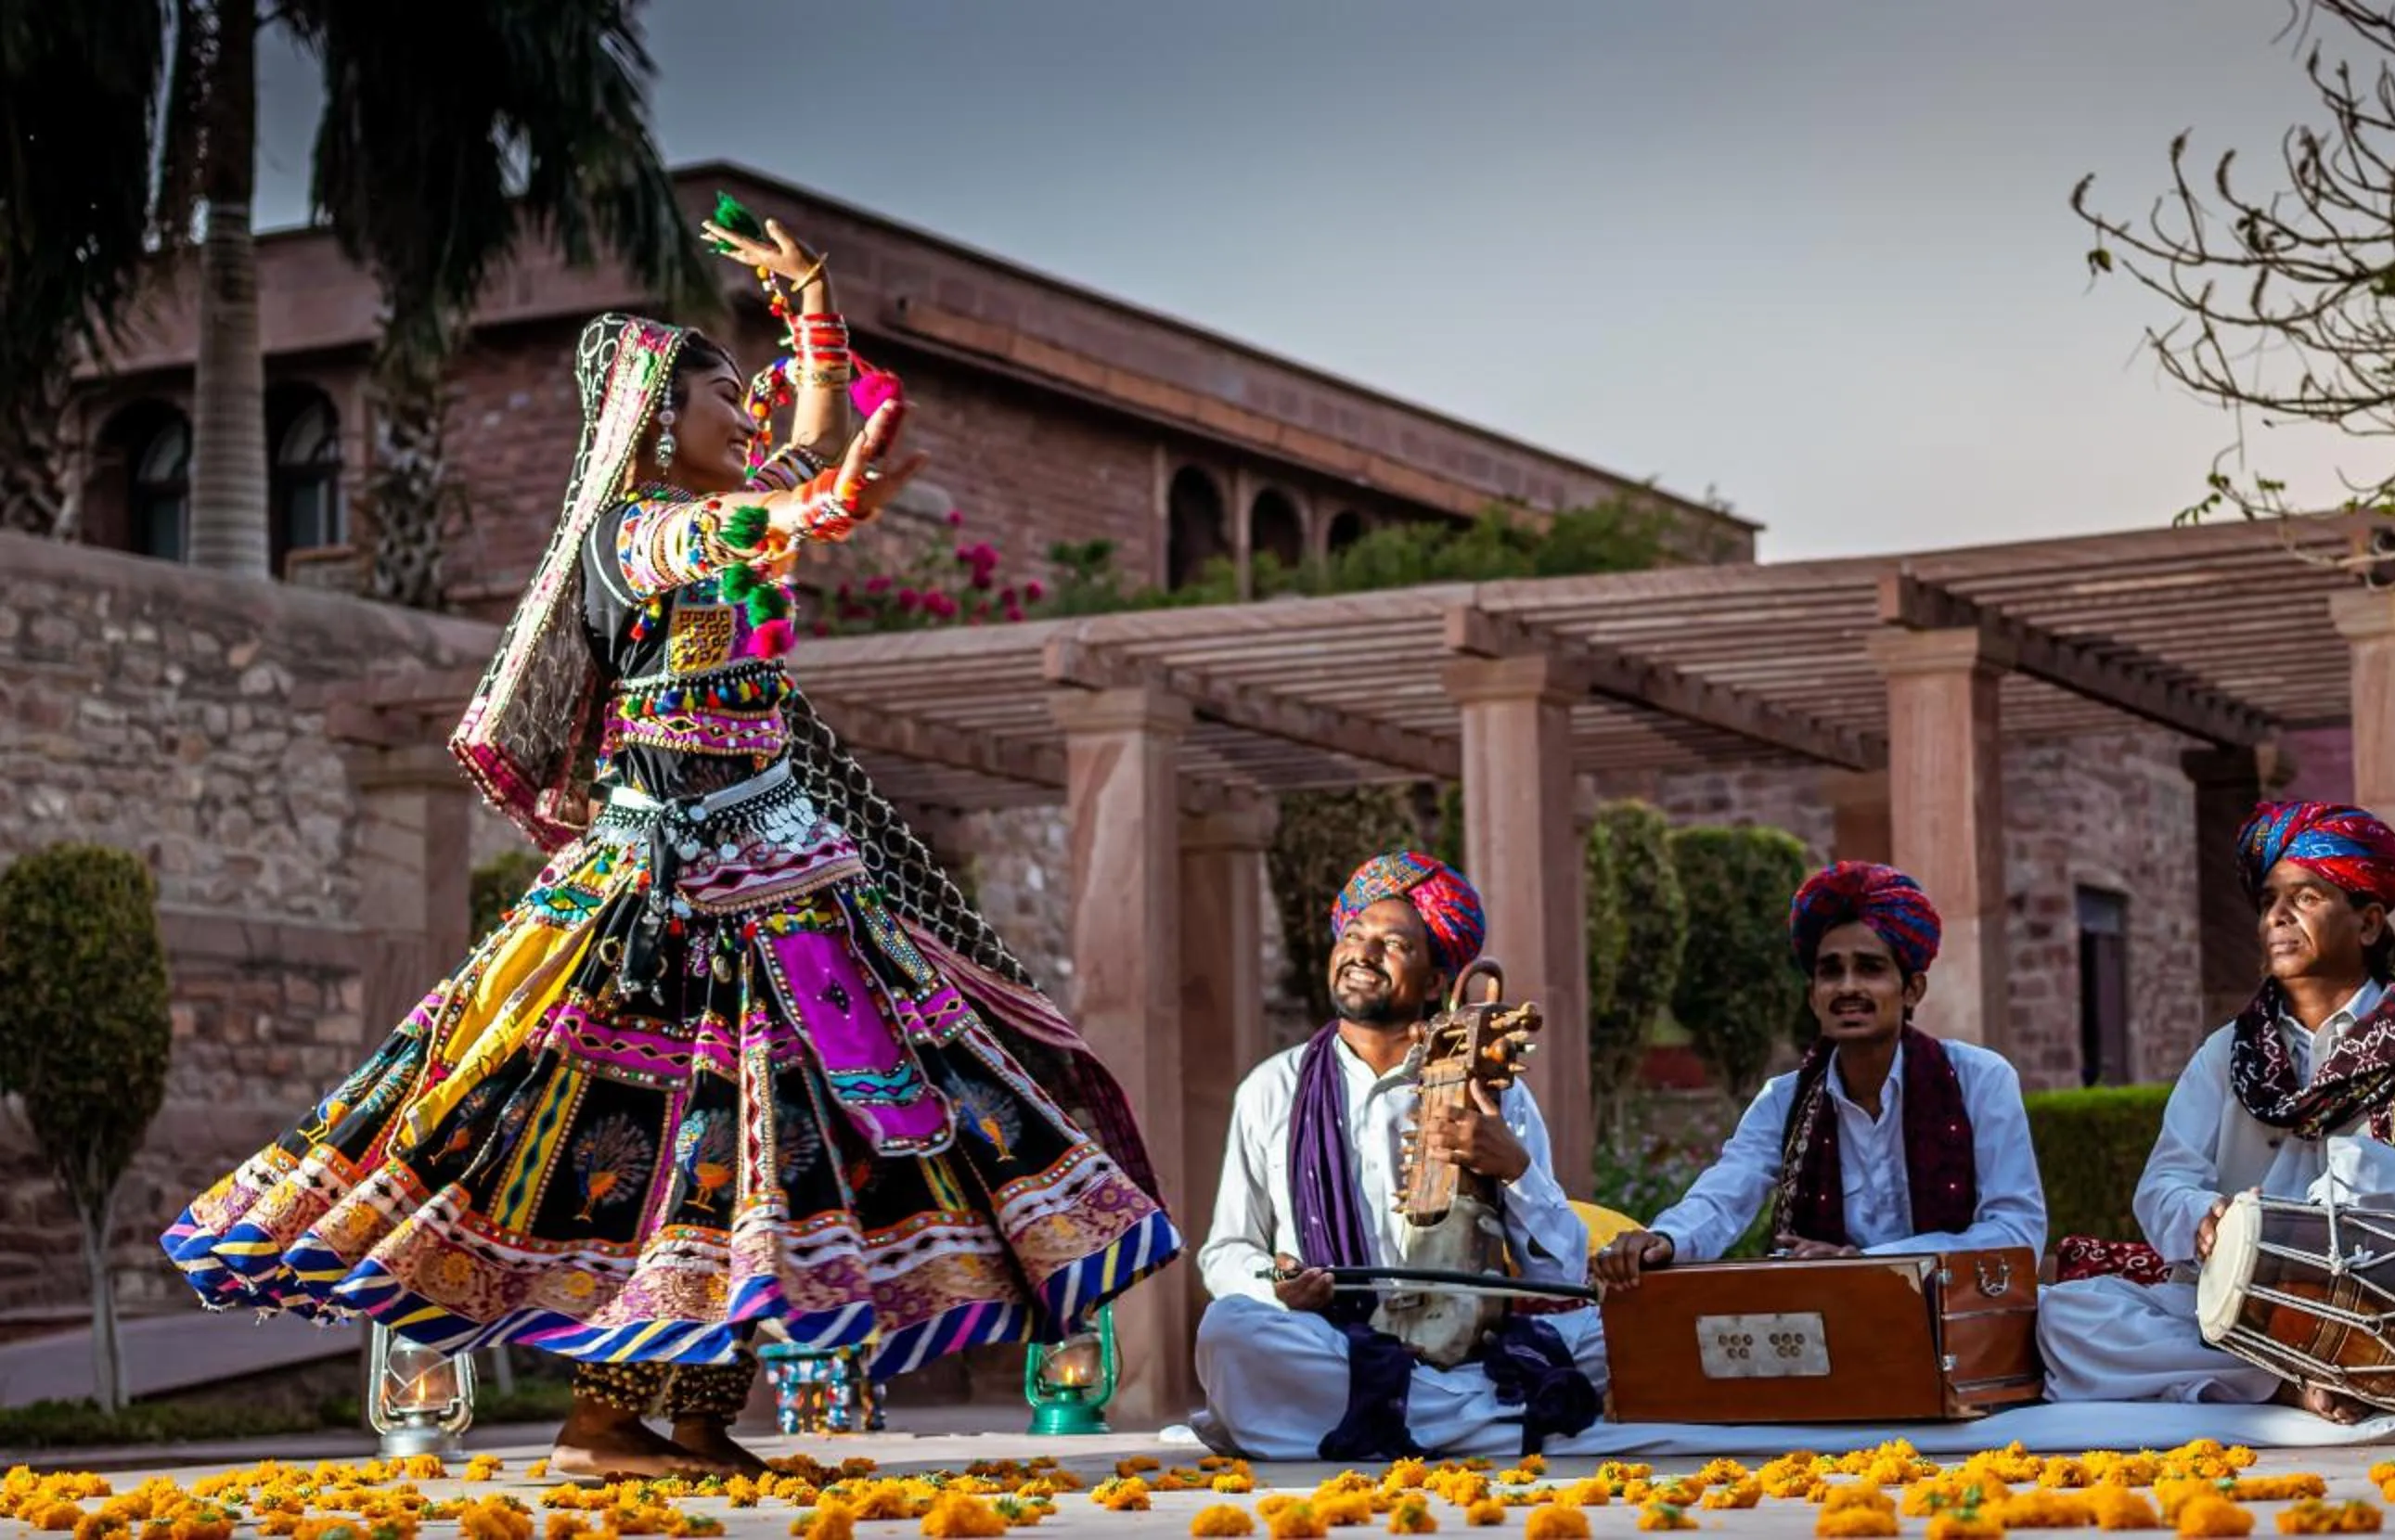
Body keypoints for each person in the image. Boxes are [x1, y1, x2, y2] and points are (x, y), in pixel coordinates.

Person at [162, 212, 1179, 1479]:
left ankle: (699, 1418)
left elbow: (798, 459)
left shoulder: (720, 501)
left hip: (786, 879)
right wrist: (820, 502)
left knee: (783, 1151)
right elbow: (752, 520)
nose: (744, 419)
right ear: (655, 421)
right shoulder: (639, 533)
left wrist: (813, 311)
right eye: (718, 396)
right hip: (672, 897)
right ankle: (604, 1423)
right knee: (666, 1146)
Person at [2034, 801, 2395, 1418]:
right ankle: (2290, 1390)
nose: (2278, 916)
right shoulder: (2228, 1054)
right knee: (2066, 1318)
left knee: (2364, 1171)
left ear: (2369, 924)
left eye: (2306, 897)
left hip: (2392, 1327)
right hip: (2250, 1325)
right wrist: (2201, 1216)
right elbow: (2162, 1185)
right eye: (2270, 899)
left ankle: (2361, 1378)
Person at [1191, 852, 1603, 1460]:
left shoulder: (1493, 1091)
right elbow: (1225, 1250)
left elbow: (1559, 1275)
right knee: (1230, 1331)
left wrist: (1516, 1170)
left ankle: (1385, 1415)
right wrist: (1276, 1284)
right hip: (1331, 1340)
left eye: (1394, 944)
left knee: (1608, 1336)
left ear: (1437, 981)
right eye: (1354, 935)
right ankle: (1470, 1420)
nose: (1362, 952)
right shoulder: (1270, 1089)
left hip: (1471, 1351)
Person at [1591, 861, 2046, 1289]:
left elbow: (2016, 1231)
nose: (1848, 987)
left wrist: (1873, 1266)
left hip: (1958, 1325)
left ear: (1911, 989)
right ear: (1813, 997)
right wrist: (1666, 1239)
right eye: (1831, 972)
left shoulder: (1977, 1079)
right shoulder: (1785, 1100)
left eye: (1869, 968)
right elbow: (1725, 1193)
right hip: (1825, 1321)